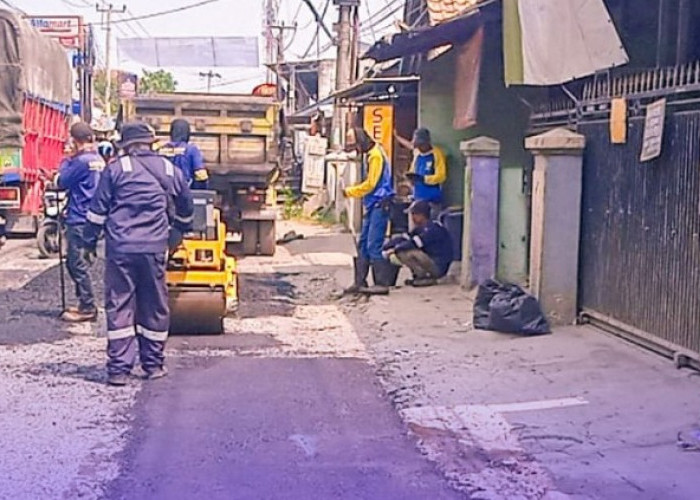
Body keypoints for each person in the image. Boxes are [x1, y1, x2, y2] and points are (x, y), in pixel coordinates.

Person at [83, 122, 194, 387]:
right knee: (154, 304)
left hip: (121, 249)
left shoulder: (116, 169)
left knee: (120, 304)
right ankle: (152, 365)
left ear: (126, 145)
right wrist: (176, 233)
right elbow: (187, 208)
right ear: (151, 142)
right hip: (155, 249)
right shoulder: (170, 169)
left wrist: (88, 242)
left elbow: (98, 211)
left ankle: (119, 370)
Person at [56, 122, 105, 322]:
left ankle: (87, 306)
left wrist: (67, 160)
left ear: (75, 140)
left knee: (75, 263)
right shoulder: (98, 159)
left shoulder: (80, 161)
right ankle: (84, 302)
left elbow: (61, 181)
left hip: (79, 217)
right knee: (81, 260)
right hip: (94, 217)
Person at [343, 126, 396, 295]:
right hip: (372, 204)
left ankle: (381, 283)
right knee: (363, 244)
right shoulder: (370, 155)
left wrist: (351, 191)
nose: (356, 150)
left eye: (356, 146)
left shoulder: (376, 157)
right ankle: (359, 281)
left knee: (374, 244)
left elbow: (371, 184)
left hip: (380, 203)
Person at [383, 200, 453, 287]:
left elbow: (414, 243)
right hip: (430, 260)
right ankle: (421, 276)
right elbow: (404, 237)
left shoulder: (432, 228)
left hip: (438, 266)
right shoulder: (420, 228)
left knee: (405, 252)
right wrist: (385, 247)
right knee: (403, 247)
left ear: (421, 215)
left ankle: (424, 276)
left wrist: (394, 249)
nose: (412, 217)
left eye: (414, 214)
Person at [395, 128, 447, 218]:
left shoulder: (436, 154)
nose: (420, 148)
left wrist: (424, 179)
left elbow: (441, 176)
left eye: (421, 145)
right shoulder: (417, 154)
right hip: (417, 200)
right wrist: (410, 178)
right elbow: (413, 169)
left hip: (432, 201)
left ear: (427, 143)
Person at [159, 119, 209, 189]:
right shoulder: (191, 149)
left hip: (164, 192)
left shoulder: (161, 150)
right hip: (184, 190)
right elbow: (201, 175)